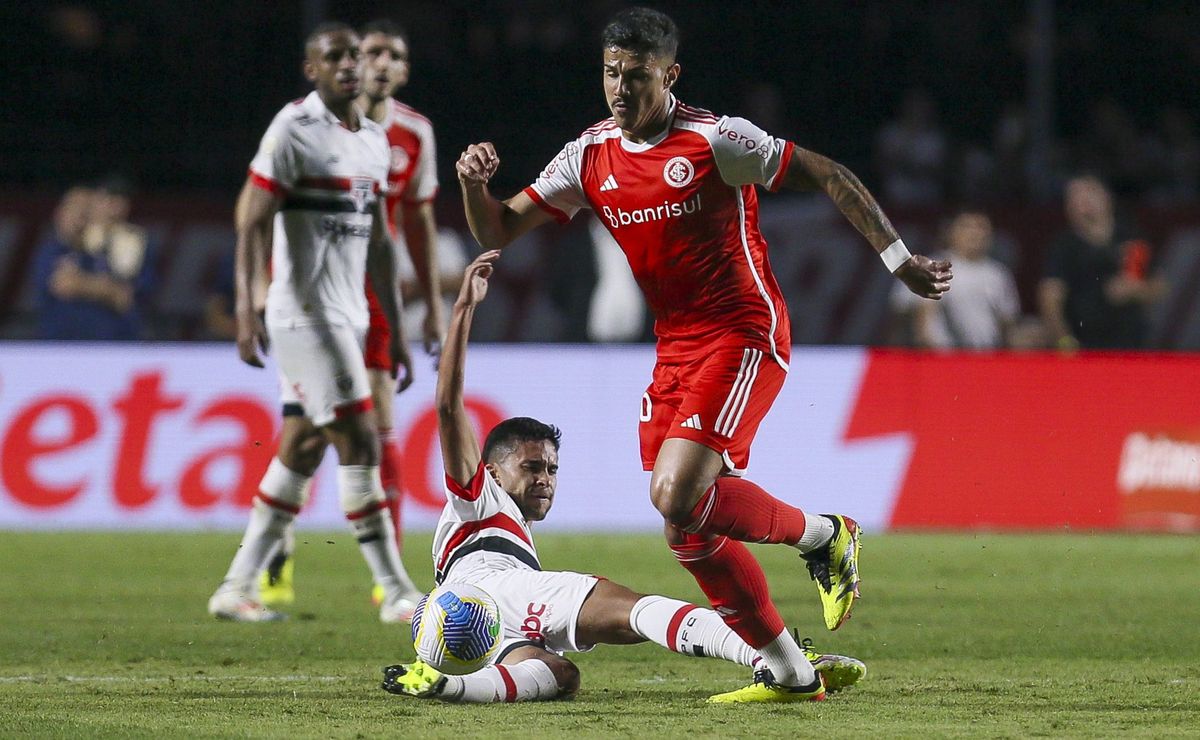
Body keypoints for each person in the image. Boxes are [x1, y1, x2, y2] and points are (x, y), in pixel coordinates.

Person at [454, 7, 951, 702]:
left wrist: (897, 260)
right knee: (683, 531)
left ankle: (823, 536)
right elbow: (500, 228)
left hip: (744, 333)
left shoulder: (719, 140)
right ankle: (788, 671)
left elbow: (832, 174)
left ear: (670, 74)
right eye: (610, 75)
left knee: (675, 493)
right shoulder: (589, 155)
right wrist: (474, 185)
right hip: (675, 349)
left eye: (636, 76)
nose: (620, 90)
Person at [380, 251, 866, 703]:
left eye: (551, 468)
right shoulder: (477, 496)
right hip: (494, 591)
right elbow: (448, 406)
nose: (545, 478)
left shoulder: (494, 523)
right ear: (491, 471)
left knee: (561, 676)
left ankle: (449, 686)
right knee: (637, 610)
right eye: (530, 467)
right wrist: (463, 308)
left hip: (469, 621)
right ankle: (774, 659)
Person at [206, 22, 421, 624]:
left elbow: (380, 243)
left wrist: (398, 331)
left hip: (350, 316)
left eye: (354, 54)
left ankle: (237, 586)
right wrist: (247, 307)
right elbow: (248, 217)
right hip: (302, 315)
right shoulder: (294, 128)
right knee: (360, 439)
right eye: (335, 57)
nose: (350, 64)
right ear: (313, 69)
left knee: (301, 448)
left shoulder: (376, 140)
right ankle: (397, 589)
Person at [256, 18, 444, 611]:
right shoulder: (309, 124)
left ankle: (384, 579)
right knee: (313, 429)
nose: (380, 63)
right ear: (352, 63)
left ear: (405, 68)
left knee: (374, 425)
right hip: (310, 294)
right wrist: (261, 292)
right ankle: (276, 555)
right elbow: (266, 207)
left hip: (371, 295)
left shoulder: (413, 133)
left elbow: (416, 223)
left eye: (393, 53)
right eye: (371, 53)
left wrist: (432, 310)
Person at [1039, 174, 1166, 351]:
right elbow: (1050, 299)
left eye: (1088, 193)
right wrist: (1064, 341)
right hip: (1084, 346)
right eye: (1074, 197)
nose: (1082, 202)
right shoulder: (1065, 247)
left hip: (1130, 344)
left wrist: (1134, 289)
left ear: (1106, 197)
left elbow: (1156, 288)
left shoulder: (1130, 239)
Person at [33, 179, 156, 340]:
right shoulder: (54, 250)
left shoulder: (123, 249)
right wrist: (106, 289)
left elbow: (125, 298)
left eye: (88, 210)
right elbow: (63, 285)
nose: (81, 217)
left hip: (115, 346)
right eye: (76, 209)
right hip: (60, 349)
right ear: (60, 212)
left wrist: (81, 283)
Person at [909, 210, 1020, 350]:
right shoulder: (934, 267)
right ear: (951, 232)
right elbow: (923, 320)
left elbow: (1007, 323)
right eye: (967, 226)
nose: (974, 233)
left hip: (986, 358)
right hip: (942, 358)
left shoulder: (999, 274)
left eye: (981, 227)